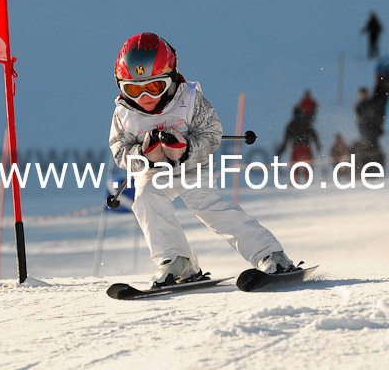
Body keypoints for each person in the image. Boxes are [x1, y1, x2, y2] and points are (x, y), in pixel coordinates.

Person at [108, 32, 295, 287]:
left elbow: (212, 133)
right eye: (132, 90)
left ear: (170, 78)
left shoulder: (189, 99)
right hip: (153, 170)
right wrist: (142, 156)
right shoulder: (124, 113)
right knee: (145, 199)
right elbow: (119, 150)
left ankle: (270, 255)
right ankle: (176, 261)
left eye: (153, 87)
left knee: (208, 206)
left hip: (192, 166)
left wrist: (186, 150)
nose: (144, 98)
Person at [276, 105, 322, 183]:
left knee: (294, 164)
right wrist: (318, 145)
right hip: (306, 146)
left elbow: (286, 138)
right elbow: (314, 134)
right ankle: (308, 179)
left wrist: (282, 149)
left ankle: (294, 180)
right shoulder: (306, 123)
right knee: (307, 164)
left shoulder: (291, 124)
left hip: (296, 147)